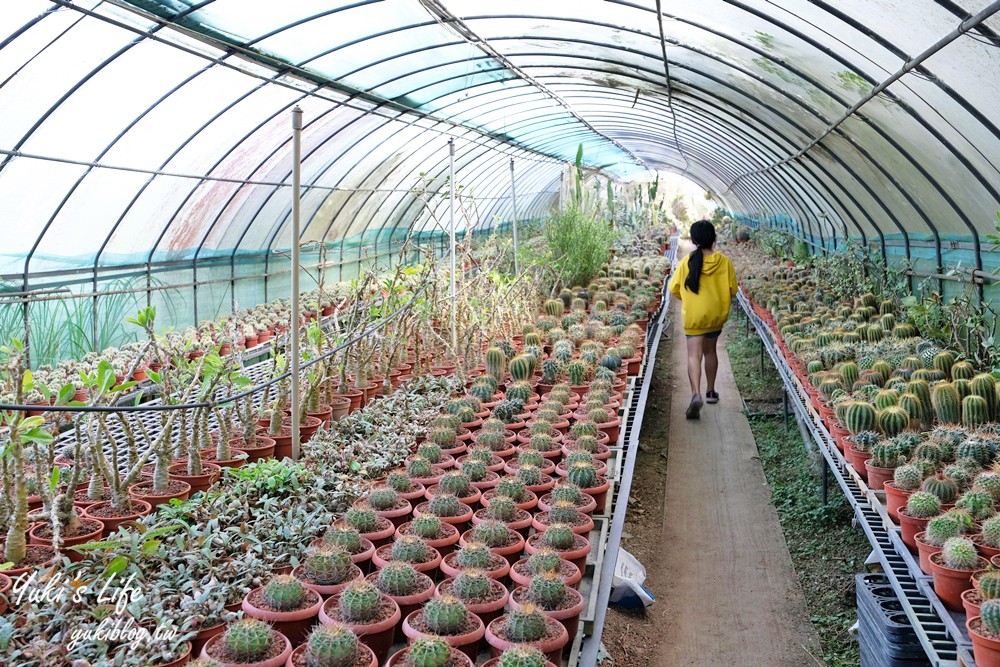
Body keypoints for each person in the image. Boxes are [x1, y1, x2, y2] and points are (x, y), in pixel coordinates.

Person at [668, 220, 738, 420]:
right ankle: (710, 392)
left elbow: (674, 289)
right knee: (710, 352)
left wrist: (689, 299)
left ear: (694, 239)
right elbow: (733, 290)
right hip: (715, 316)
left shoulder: (686, 262)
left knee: (693, 355)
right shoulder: (724, 262)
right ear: (713, 238)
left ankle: (696, 393)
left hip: (694, 316)